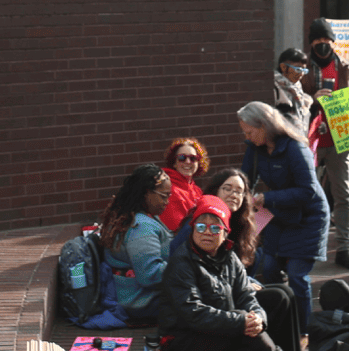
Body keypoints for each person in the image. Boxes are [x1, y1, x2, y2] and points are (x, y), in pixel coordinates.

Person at [237, 101, 329, 329]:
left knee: (297, 275)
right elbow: (245, 180)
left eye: (249, 132)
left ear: (264, 125)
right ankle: (283, 321)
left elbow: (308, 191)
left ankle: (303, 331)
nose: (247, 137)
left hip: (309, 218)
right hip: (279, 214)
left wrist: (267, 198)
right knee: (268, 268)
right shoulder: (255, 148)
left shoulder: (295, 148)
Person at [193, 170, 301, 351]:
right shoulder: (205, 224)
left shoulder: (239, 222)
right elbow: (206, 269)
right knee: (279, 298)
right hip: (213, 297)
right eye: (227, 189)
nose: (234, 195)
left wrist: (247, 282)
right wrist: (245, 284)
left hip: (234, 288)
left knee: (287, 292)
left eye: (239, 191)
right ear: (215, 191)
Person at [156, 193, 272, 351]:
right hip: (185, 336)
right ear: (193, 229)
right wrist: (241, 321)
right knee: (249, 332)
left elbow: (246, 295)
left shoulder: (230, 257)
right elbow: (193, 313)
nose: (207, 232)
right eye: (201, 227)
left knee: (270, 307)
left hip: (218, 328)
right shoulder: (181, 262)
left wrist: (259, 318)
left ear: (225, 233)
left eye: (215, 228)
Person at [304, 18, 349, 268]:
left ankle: (343, 249)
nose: (323, 44)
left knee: (343, 196)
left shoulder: (347, 69)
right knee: (306, 194)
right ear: (311, 43)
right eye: (318, 40)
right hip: (310, 142)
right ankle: (306, 248)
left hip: (340, 142)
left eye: (327, 40)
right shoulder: (302, 68)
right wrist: (312, 100)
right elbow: (292, 101)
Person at [100, 164, 174, 323]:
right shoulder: (141, 227)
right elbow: (149, 275)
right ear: (146, 193)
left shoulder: (138, 217)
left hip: (134, 296)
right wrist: (185, 266)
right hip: (140, 301)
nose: (167, 201)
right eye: (163, 196)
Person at [158, 137, 211, 231]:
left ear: (198, 162)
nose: (188, 162)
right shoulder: (168, 189)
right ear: (174, 163)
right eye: (182, 158)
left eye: (193, 158)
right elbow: (176, 227)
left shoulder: (197, 190)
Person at [273, 48, 314, 131]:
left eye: (304, 70)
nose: (301, 74)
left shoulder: (297, 86)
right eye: (298, 69)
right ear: (283, 67)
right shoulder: (274, 86)